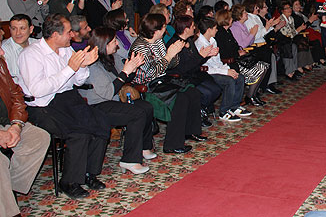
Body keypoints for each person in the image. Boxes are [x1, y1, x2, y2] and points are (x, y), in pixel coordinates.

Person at [17, 14, 109, 199]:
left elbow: (78, 81)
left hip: (68, 98)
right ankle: (69, 181)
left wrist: (83, 65)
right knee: (79, 133)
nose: (72, 35)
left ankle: (89, 173)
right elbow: (38, 90)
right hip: (43, 104)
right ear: (55, 35)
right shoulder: (31, 55)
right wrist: (69, 69)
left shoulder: (66, 49)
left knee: (101, 123)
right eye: (68, 32)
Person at [80, 27, 155, 174]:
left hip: (114, 99)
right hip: (97, 105)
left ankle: (144, 147)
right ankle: (130, 160)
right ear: (104, 44)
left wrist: (133, 68)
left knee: (146, 107)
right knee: (136, 113)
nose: (117, 44)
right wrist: (126, 72)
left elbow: (124, 78)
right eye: (114, 41)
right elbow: (108, 92)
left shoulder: (111, 58)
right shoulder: (93, 65)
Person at [129, 13, 204, 154]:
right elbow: (151, 73)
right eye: (163, 27)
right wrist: (169, 56)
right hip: (148, 86)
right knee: (180, 99)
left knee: (192, 91)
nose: (166, 29)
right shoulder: (140, 47)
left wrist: (174, 53)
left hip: (163, 80)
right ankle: (172, 144)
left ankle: (190, 131)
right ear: (156, 30)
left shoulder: (158, 41)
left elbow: (171, 65)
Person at [0, 50, 50, 217]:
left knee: (39, 138)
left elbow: (16, 95)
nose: (2, 51)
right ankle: (9, 211)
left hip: (7, 122)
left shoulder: (0, 64)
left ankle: (8, 189)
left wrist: (16, 125)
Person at [166, 16, 224, 126]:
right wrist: (201, 56)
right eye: (192, 26)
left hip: (194, 73)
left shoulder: (189, 41)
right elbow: (182, 68)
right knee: (207, 92)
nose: (194, 28)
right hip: (181, 78)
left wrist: (206, 55)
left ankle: (202, 109)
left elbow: (196, 61)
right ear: (186, 29)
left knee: (216, 88)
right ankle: (198, 112)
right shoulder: (175, 44)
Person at [195, 16, 247, 123]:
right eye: (215, 28)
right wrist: (226, 72)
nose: (217, 30)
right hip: (207, 73)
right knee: (229, 81)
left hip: (217, 69)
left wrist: (228, 69)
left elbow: (218, 62)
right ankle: (224, 111)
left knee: (239, 77)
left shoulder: (213, 40)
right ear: (209, 30)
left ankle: (235, 106)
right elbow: (207, 67)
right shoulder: (200, 44)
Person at [1, 14, 36, 81]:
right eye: (14, 29)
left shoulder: (37, 44)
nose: (18, 33)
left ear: (31, 29)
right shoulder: (4, 50)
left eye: (22, 28)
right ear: (10, 29)